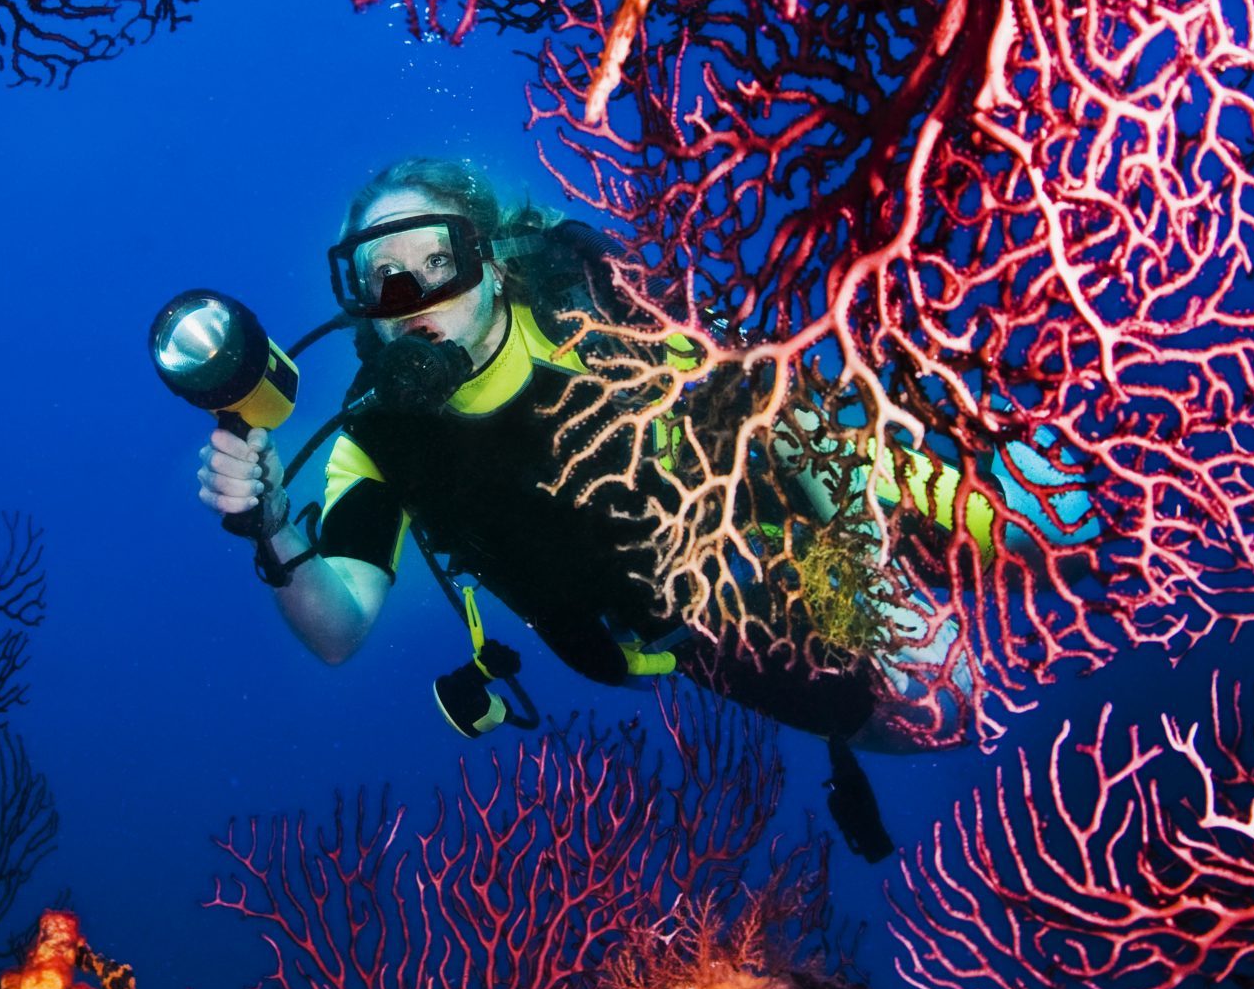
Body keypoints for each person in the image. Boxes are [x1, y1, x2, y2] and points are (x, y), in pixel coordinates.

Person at [192, 158, 982, 855]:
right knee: (933, 718)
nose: (414, 295)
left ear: (494, 262)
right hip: (700, 630)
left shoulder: (598, 309)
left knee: (1038, 533)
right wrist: (273, 530)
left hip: (817, 501)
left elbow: (778, 402)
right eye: (383, 276)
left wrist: (867, 553)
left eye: (440, 257)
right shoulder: (376, 440)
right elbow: (339, 628)